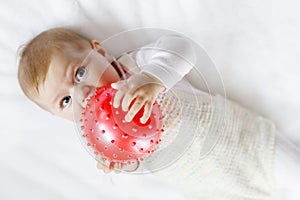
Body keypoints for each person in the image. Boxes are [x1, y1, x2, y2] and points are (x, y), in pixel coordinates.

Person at [17, 28, 298, 200]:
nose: (83, 93)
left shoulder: (136, 67)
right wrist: (120, 167)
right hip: (211, 193)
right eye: (65, 100)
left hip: (251, 145)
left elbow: (182, 49)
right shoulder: (101, 140)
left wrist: (153, 78)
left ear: (100, 51)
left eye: (79, 73)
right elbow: (131, 190)